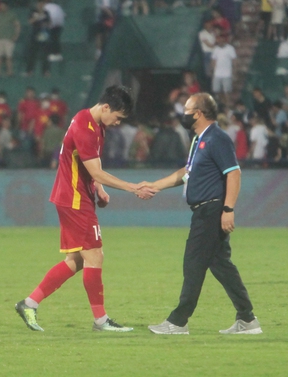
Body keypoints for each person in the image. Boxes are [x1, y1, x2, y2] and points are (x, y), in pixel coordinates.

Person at [14, 85, 156, 333]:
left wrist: (98, 188)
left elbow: (92, 167)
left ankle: (29, 303)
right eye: (117, 117)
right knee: (95, 256)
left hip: (77, 196)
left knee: (77, 260)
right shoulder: (84, 127)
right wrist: (132, 187)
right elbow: (96, 170)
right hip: (74, 199)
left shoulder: (94, 123)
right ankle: (100, 320)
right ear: (106, 107)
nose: (116, 123)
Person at [147, 93, 262, 335]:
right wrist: (156, 185)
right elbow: (187, 172)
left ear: (198, 113)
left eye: (187, 109)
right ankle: (247, 319)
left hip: (211, 210)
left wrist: (228, 209)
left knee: (193, 263)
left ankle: (178, 321)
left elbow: (234, 173)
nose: (184, 113)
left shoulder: (217, 138)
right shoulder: (201, 139)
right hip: (205, 210)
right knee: (220, 265)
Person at [0, 1, 20, 77]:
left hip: (9, 39)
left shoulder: (12, 15)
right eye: (0, 6)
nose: (1, 7)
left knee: (9, 57)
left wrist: (16, 36)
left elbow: (17, 25)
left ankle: (10, 72)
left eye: (3, 6)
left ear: (7, 6)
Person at [25, 1, 50, 76]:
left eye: (42, 4)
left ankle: (46, 71)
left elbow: (49, 23)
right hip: (34, 35)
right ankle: (29, 71)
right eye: (39, 4)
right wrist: (37, 17)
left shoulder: (46, 13)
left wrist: (44, 23)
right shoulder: (33, 12)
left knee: (45, 54)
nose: (41, 5)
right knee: (32, 54)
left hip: (44, 35)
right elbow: (30, 21)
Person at [211, 34, 236, 109]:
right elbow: (213, 60)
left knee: (227, 91)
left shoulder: (230, 48)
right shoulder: (216, 49)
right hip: (217, 74)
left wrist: (234, 71)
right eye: (219, 40)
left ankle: (228, 105)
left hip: (227, 74)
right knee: (217, 90)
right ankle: (222, 103)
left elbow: (234, 60)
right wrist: (213, 70)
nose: (220, 41)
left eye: (222, 40)